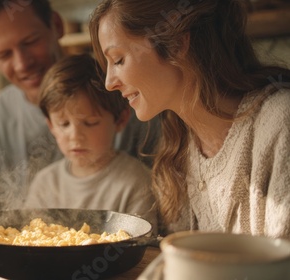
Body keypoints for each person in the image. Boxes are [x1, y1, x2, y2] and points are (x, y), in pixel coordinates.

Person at [89, 0, 290, 238]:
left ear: (175, 44)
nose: (109, 83)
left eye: (119, 60)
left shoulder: (281, 122)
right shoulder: (178, 150)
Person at [0, 0, 161, 207]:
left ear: (57, 25)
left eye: (30, 41)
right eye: (4, 54)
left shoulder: (128, 96)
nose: (22, 64)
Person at [24, 54, 157, 229]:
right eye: (64, 124)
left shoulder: (136, 182)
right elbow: (28, 237)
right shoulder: (45, 183)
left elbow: (139, 246)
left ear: (120, 120)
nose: (76, 136)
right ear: (51, 126)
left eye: (90, 123)